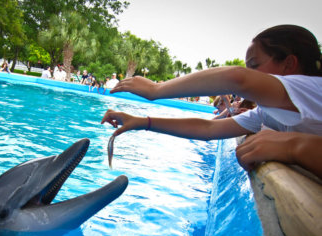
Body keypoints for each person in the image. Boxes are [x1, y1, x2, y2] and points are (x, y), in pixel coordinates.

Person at [101, 25, 322, 177]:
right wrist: (142, 122)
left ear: (289, 64)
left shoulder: (313, 89)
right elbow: (207, 128)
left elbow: (238, 79)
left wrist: (156, 89)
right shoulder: (268, 112)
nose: (250, 73)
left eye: (254, 65)